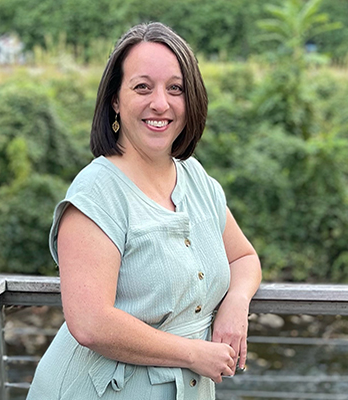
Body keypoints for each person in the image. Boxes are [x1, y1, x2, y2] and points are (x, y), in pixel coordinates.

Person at [27, 22, 261, 400]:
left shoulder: (196, 179)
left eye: (175, 88)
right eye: (142, 87)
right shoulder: (97, 193)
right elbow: (89, 322)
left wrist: (235, 304)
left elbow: (244, 257)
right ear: (115, 101)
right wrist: (193, 353)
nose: (160, 103)